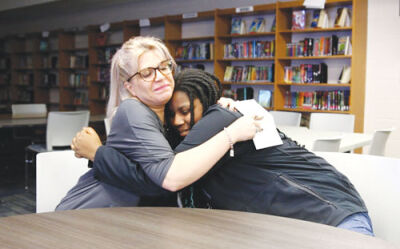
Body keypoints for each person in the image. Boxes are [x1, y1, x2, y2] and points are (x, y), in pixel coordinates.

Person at [72, 68, 374, 236]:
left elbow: (160, 179)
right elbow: (158, 179)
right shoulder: (194, 148)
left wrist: (98, 154)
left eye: (186, 110)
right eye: (171, 115)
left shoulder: (222, 117)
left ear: (206, 100)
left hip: (333, 221)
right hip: (291, 232)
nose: (177, 121)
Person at [57, 36, 261, 210]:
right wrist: (231, 134)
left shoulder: (166, 114)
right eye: (146, 73)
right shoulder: (132, 109)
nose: (161, 77)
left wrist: (215, 104)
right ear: (130, 87)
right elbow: (165, 181)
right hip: (87, 213)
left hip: (127, 217)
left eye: (164, 67)